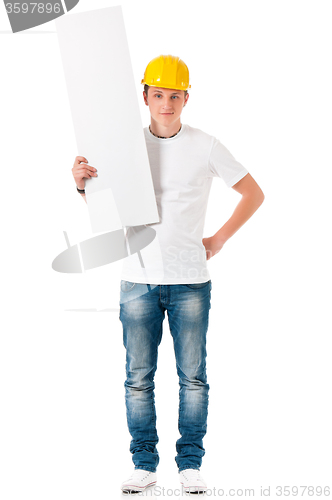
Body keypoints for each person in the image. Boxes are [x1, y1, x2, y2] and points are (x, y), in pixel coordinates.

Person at [72, 54, 265, 494]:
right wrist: (83, 186)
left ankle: (190, 465)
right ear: (145, 97)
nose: (166, 103)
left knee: (192, 376)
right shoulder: (123, 146)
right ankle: (144, 465)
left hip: (191, 281)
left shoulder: (206, 145)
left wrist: (219, 239)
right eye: (158, 94)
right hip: (137, 280)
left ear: (185, 98)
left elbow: (253, 193)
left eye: (174, 95)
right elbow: (107, 211)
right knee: (138, 377)